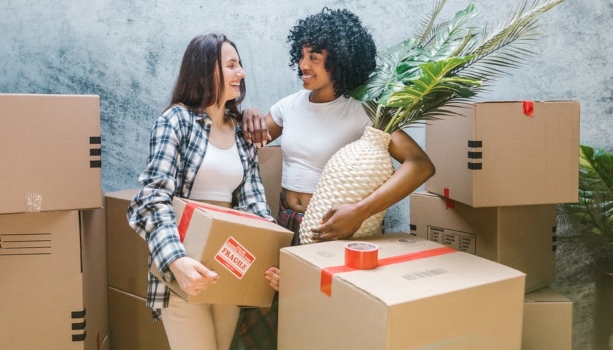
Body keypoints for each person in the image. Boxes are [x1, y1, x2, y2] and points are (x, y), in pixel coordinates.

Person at [237, 8, 436, 349]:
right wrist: (248, 113)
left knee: (322, 327)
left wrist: (359, 211)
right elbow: (245, 140)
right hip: (286, 224)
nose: (303, 65)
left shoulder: (364, 110)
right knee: (267, 323)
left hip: (334, 232)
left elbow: (419, 165)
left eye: (314, 57)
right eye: (301, 55)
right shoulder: (290, 105)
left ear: (342, 60)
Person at [126, 33, 274, 350]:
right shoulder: (176, 121)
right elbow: (152, 200)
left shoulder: (242, 131)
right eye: (231, 65)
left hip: (229, 270)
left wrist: (270, 259)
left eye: (240, 64)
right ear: (207, 71)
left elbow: (255, 206)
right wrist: (177, 263)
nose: (242, 72)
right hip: (183, 270)